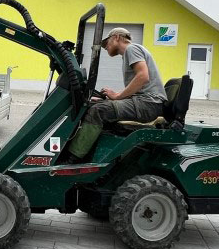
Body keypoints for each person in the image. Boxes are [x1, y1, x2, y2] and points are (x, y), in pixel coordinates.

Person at [67, 27, 167, 161]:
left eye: (106, 43)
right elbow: (137, 86)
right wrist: (112, 95)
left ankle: (73, 158)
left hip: (148, 104)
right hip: (145, 102)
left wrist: (117, 96)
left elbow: (143, 76)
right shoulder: (130, 53)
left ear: (117, 37)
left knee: (98, 110)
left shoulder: (132, 49)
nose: (105, 47)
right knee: (95, 104)